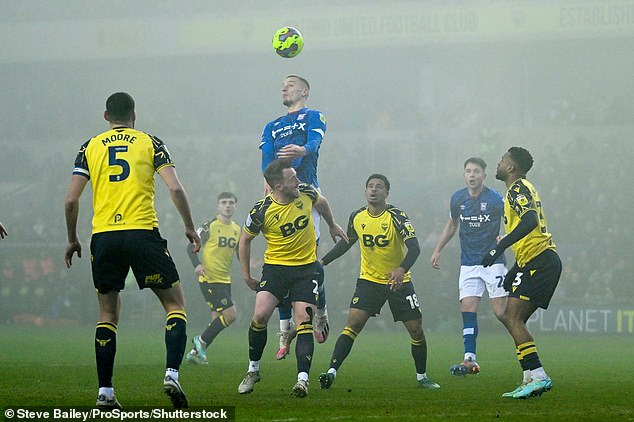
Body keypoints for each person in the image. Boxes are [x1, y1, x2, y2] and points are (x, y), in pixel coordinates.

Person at [64, 92, 200, 409]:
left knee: (108, 314)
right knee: (175, 305)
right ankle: (171, 373)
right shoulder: (150, 142)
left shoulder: (90, 146)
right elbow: (175, 187)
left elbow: (71, 200)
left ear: (105, 115)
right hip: (142, 232)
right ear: (134, 115)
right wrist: (189, 226)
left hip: (105, 237)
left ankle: (105, 393)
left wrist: (72, 238)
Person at [318, 174, 440, 391]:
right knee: (353, 324)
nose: (374, 190)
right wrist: (323, 261)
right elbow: (347, 243)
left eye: (379, 187)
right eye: (370, 186)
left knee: (416, 330)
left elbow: (415, 247)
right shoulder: (357, 217)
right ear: (365, 192)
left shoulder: (397, 216)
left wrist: (401, 269)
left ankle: (422, 377)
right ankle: (331, 372)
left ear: (386, 193)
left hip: (398, 282)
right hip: (369, 280)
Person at [237, 159, 346, 398]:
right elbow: (244, 240)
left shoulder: (306, 192)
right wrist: (246, 275)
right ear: (277, 186)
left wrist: (332, 225)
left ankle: (302, 380)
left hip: (307, 270)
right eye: (292, 179)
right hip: (276, 270)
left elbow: (323, 202)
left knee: (303, 320)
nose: (298, 181)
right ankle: (253, 370)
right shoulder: (261, 210)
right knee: (260, 316)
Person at [482, 147, 562, 399]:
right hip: (534, 261)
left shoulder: (517, 189)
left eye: (502, 159)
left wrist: (499, 247)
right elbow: (527, 229)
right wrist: (514, 268)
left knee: (512, 317)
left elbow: (530, 222)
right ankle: (529, 377)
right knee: (510, 316)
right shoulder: (521, 189)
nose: (499, 162)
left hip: (540, 261)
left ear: (511, 167)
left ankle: (538, 375)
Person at [260, 74, 330, 359]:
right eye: (282, 85)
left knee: (308, 262)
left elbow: (315, 141)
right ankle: (285, 327)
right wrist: (266, 187)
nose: (284, 87)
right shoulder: (271, 126)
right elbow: (266, 160)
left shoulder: (315, 115)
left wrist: (303, 149)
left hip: (305, 195)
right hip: (277, 200)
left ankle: (321, 312)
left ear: (304, 91)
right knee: (280, 261)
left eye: (289, 84)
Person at [430, 157, 507, 375]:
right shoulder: (458, 199)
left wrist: (508, 235)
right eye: (468, 171)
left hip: (493, 262)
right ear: (464, 175)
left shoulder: (494, 199)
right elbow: (453, 224)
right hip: (469, 263)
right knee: (467, 309)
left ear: (484, 175)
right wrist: (438, 249)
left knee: (501, 313)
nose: (472, 175)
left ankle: (523, 342)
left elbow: (512, 218)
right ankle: (469, 359)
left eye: (476, 172)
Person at [184, 192, 241, 365]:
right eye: (224, 202)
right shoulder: (209, 226)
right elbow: (190, 246)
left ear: (235, 206)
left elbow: (239, 252)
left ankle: (195, 354)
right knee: (231, 316)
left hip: (225, 280)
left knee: (216, 320)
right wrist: (197, 264)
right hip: (210, 279)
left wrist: (248, 264)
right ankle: (200, 341)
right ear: (218, 206)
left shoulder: (237, 229)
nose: (228, 205)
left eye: (231, 202)